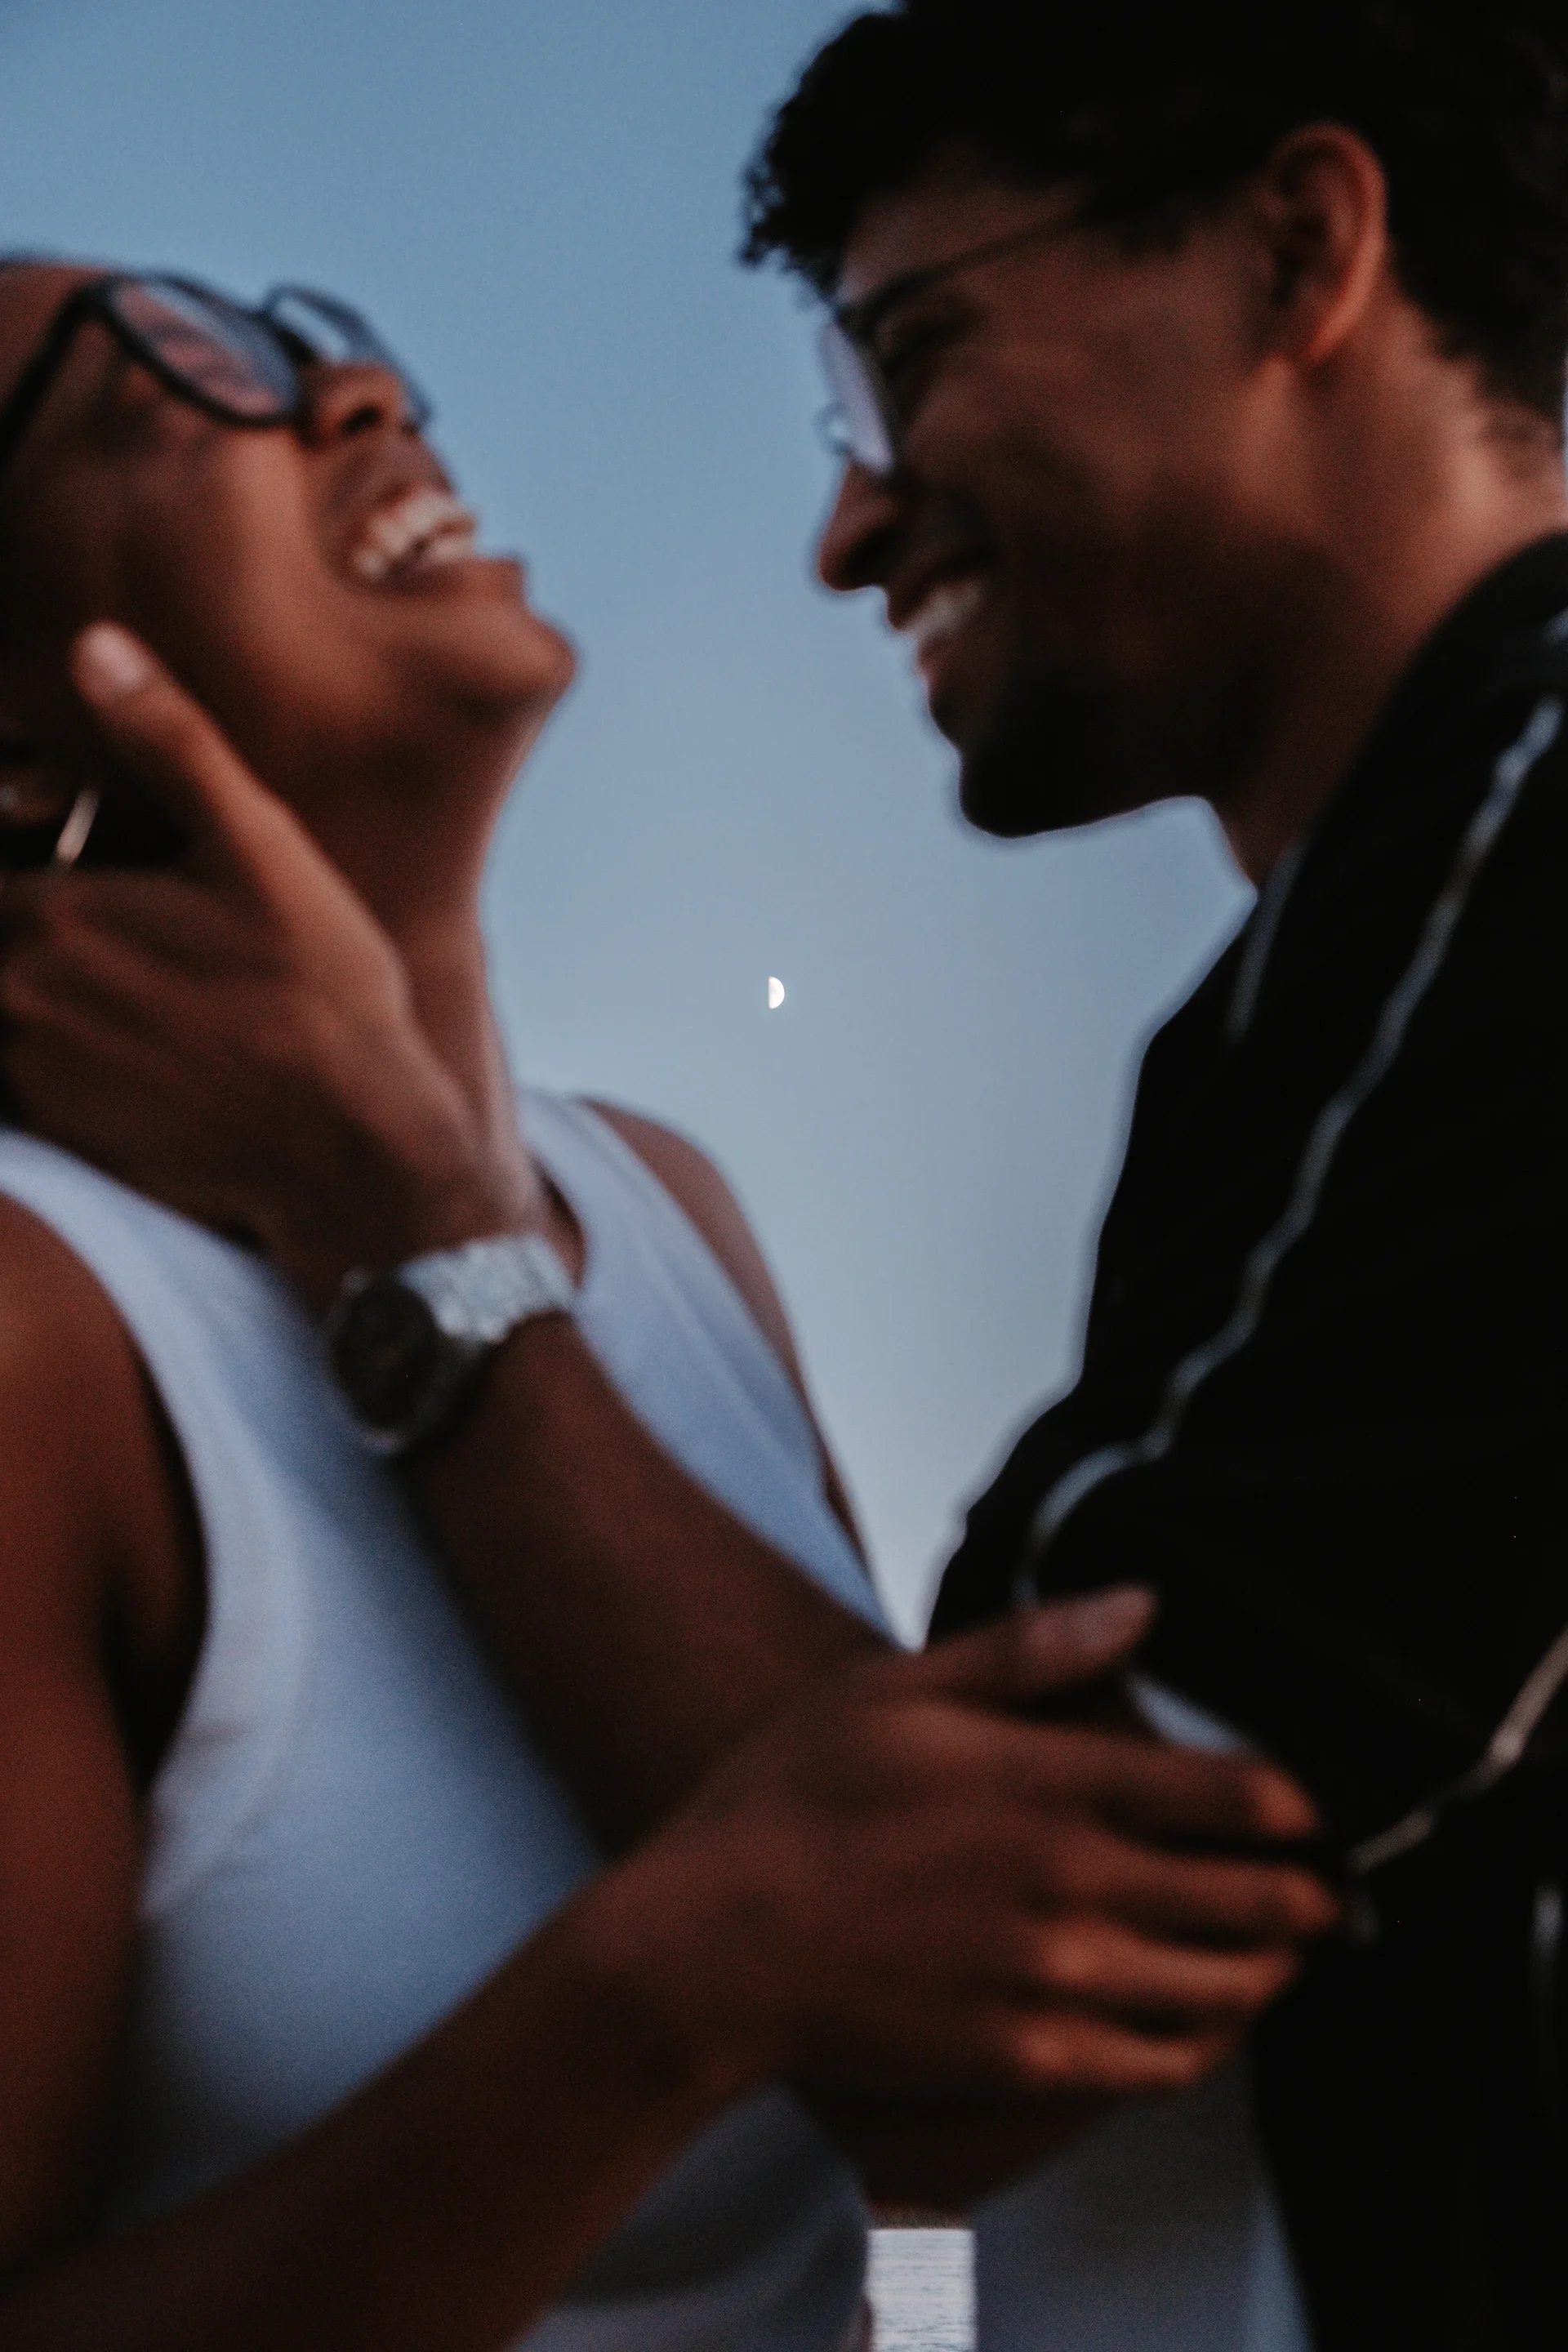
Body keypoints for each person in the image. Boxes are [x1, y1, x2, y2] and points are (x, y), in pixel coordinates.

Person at [0, 256, 1332, 2351]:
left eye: (319, 325)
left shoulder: (668, 1211)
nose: (353, 384)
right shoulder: (45, 1335)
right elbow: (790, 1930)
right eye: (170, 365)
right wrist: (657, 1999)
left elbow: (906, 2083)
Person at [740, 2, 1568, 2344]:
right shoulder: (1315, 991)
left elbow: (975, 1982)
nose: (845, 521)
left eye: (914, 350)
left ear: (1301, 249)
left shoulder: (1538, 846)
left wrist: (424, 1236)